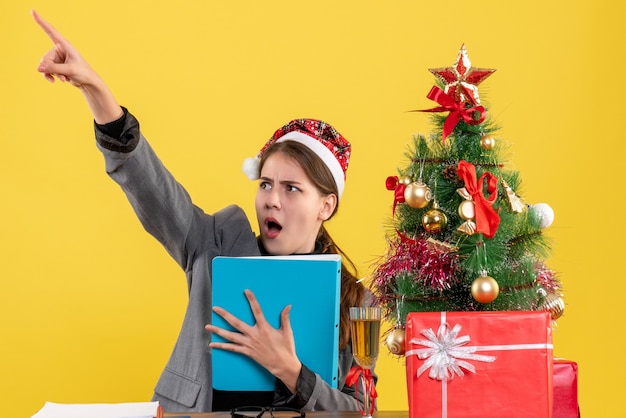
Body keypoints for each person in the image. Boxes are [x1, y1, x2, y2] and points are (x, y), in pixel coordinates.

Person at [32, 10, 377, 413]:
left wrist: (291, 371)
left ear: (326, 205)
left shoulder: (357, 301)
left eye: (291, 189)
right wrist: (97, 91)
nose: (272, 200)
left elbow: (360, 410)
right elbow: (154, 191)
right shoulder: (213, 243)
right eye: (265, 184)